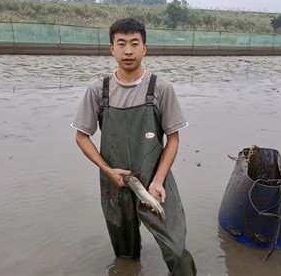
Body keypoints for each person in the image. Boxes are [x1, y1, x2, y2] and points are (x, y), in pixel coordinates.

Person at [72, 18, 197, 275]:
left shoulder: (161, 89)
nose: (128, 50)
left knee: (175, 248)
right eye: (121, 44)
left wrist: (159, 180)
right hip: (114, 184)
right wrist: (107, 170)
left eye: (134, 44)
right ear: (112, 49)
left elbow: (173, 138)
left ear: (144, 48)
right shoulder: (98, 91)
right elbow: (82, 136)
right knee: (125, 254)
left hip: (154, 182)